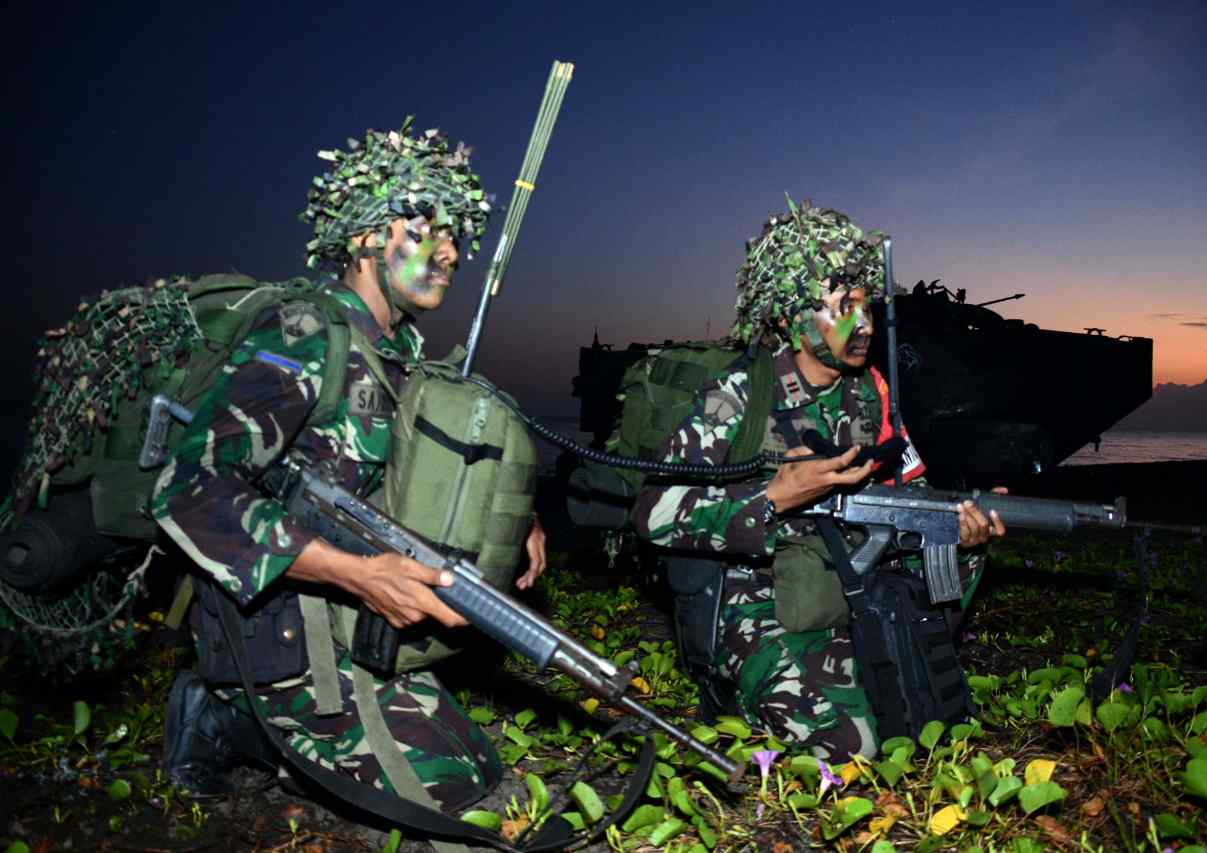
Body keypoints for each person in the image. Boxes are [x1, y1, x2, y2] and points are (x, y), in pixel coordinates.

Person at [153, 120, 546, 810]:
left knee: (480, 768)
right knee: (445, 794)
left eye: (456, 237)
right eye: (427, 230)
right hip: (282, 629)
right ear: (366, 237)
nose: (451, 253)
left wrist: (520, 518)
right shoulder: (305, 336)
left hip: (351, 626)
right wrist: (360, 575)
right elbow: (190, 488)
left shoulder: (403, 360)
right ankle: (226, 712)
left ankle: (270, 720)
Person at [630, 200, 1004, 760]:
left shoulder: (871, 393)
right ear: (788, 318)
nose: (864, 324)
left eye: (866, 306)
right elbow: (653, 513)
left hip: (842, 586)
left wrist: (960, 522)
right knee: (855, 745)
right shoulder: (740, 394)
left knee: (920, 716)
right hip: (753, 601)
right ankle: (737, 688)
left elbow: (908, 491)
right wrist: (773, 499)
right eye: (841, 308)